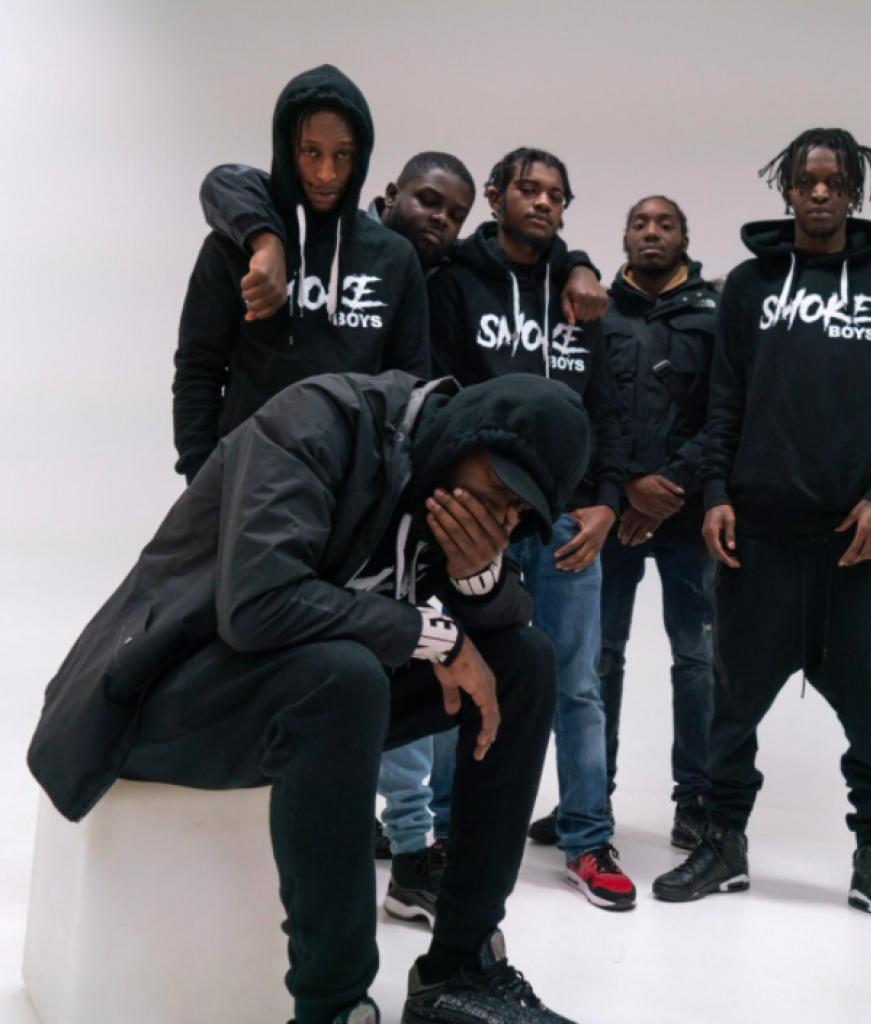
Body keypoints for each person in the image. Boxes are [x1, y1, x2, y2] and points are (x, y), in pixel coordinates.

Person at [29, 369, 591, 1024]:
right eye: (500, 487)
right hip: (157, 694)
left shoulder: (452, 491)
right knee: (344, 674)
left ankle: (459, 969)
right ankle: (331, 1005)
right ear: (467, 434)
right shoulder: (319, 422)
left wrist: (476, 578)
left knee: (524, 662)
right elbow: (258, 605)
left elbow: (508, 614)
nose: (500, 516)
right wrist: (432, 635)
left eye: (520, 511)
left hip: (306, 701)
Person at [195, 143, 608, 922]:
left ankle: (436, 883)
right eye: (428, 202)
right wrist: (267, 241)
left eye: (453, 213)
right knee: (373, 654)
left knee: (503, 654)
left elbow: (421, 372)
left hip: (399, 466)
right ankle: (353, 923)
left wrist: (474, 566)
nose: (440, 220)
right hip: (288, 468)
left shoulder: (430, 276)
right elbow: (228, 189)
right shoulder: (320, 240)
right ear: (387, 193)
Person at [652, 128, 871, 939]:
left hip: (853, 545)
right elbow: (724, 404)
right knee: (732, 707)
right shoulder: (749, 285)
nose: (820, 193)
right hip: (757, 544)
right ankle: (723, 842)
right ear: (786, 189)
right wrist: (715, 492)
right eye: (807, 181)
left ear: (855, 191)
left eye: (835, 181)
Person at [429, 147, 635, 911]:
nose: (543, 202)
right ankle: (446, 833)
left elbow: (607, 408)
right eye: (529, 189)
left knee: (578, 683)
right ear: (495, 196)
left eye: (556, 194)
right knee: (453, 671)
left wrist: (608, 501)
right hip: (477, 513)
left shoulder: (582, 296)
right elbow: (438, 392)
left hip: (566, 521)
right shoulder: (455, 282)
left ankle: (588, 838)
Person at [172, 64, 430, 485]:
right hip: (247, 483)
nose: (326, 174)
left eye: (342, 154)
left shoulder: (395, 258)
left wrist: (387, 489)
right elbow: (198, 371)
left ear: (361, 156)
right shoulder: (232, 248)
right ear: (287, 150)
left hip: (354, 493)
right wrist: (202, 479)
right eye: (311, 152)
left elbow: (412, 387)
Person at [594, 195, 718, 851]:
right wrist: (628, 488)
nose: (651, 232)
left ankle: (695, 802)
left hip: (687, 514)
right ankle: (590, 800)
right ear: (624, 237)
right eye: (640, 223)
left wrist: (669, 486)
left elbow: (727, 413)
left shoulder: (713, 314)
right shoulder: (596, 311)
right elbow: (588, 408)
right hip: (612, 514)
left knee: (696, 658)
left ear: (683, 239)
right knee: (599, 658)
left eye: (665, 224)